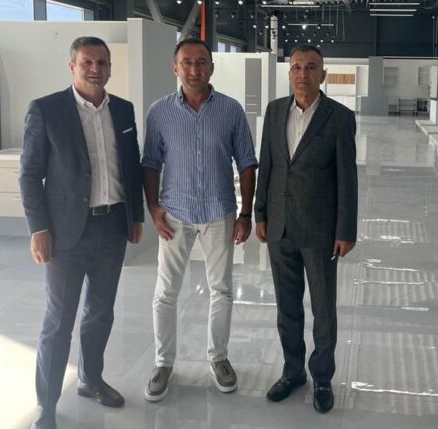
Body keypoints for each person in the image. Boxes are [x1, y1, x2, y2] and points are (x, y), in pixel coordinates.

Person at [19, 36, 144, 429]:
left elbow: (131, 166)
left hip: (113, 226)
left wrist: (135, 215)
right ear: (71, 66)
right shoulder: (46, 110)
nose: (95, 69)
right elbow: (29, 175)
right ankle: (47, 404)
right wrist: (38, 228)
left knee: (101, 313)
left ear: (109, 68)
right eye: (87, 62)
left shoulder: (122, 109)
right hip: (65, 232)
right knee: (59, 321)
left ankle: (91, 379)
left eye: (102, 62)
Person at [142, 38, 257, 402]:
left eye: (201, 62)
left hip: (218, 212)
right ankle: (163, 363)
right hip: (174, 214)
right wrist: (153, 207)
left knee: (221, 289)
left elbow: (247, 163)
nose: (194, 69)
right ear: (175, 68)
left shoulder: (230, 110)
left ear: (211, 67)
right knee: (165, 292)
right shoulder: (159, 112)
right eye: (187, 63)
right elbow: (150, 163)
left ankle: (218, 357)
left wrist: (245, 213)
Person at [255, 45, 358, 413]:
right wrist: (260, 213)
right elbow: (267, 165)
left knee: (323, 310)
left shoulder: (339, 117)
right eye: (296, 67)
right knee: (287, 307)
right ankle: (293, 371)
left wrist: (346, 230)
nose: (303, 74)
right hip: (280, 227)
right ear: (289, 74)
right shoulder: (274, 111)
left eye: (311, 67)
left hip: (320, 230)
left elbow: (347, 178)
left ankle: (323, 377)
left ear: (322, 74)